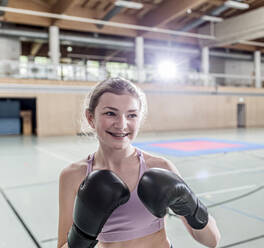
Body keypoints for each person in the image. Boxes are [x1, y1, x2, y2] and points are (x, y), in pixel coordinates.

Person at [57, 77, 221, 248]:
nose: (121, 124)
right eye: (110, 113)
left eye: (131, 115)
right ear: (91, 118)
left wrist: (191, 206)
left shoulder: (159, 167)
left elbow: (212, 240)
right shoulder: (73, 175)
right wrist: (81, 236)